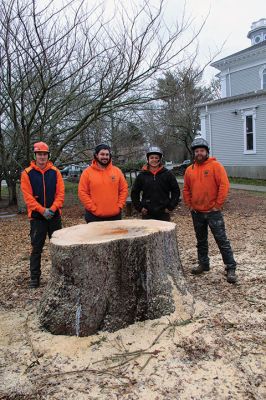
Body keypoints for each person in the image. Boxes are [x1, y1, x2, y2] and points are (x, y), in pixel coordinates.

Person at [183, 138, 237, 284]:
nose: (199, 153)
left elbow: (224, 186)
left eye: (202, 150)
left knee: (222, 240)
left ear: (207, 151)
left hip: (213, 212)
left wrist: (218, 205)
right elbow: (186, 189)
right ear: (193, 153)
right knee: (201, 241)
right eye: (196, 151)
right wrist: (189, 204)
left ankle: (230, 267)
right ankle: (203, 264)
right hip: (197, 212)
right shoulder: (190, 170)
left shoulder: (216, 166)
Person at [21, 142, 65, 288]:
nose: (42, 156)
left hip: (54, 216)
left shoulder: (55, 172)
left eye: (44, 154)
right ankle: (35, 278)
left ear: (48, 155)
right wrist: (42, 210)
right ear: (35, 155)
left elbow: (60, 194)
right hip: (37, 218)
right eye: (39, 154)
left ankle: (61, 276)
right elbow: (28, 197)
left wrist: (52, 209)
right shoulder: (27, 173)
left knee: (59, 247)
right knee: (36, 249)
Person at [78, 143, 128, 222]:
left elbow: (124, 189)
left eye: (107, 154)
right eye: (102, 154)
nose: (105, 157)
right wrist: (93, 208)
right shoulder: (87, 172)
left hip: (115, 217)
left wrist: (120, 205)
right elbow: (82, 192)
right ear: (96, 155)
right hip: (94, 217)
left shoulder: (117, 171)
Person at [131, 146, 180, 221]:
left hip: (164, 212)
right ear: (148, 159)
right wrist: (139, 208)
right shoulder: (142, 175)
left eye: (156, 158)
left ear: (160, 159)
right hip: (147, 213)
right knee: (148, 233)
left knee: (165, 232)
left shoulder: (167, 174)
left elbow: (176, 191)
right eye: (152, 157)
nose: (154, 160)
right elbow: (134, 192)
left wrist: (171, 206)